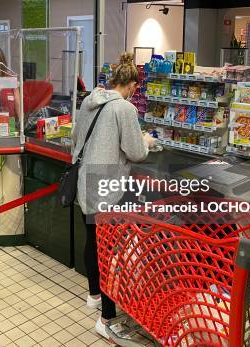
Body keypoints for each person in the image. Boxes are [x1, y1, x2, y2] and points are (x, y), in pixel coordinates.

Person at [72, 52, 156, 341]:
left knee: (92, 241)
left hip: (86, 182)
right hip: (108, 187)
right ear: (132, 85)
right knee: (109, 253)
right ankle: (106, 318)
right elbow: (135, 152)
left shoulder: (89, 100)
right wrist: (146, 141)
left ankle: (94, 295)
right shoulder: (125, 109)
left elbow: (75, 137)